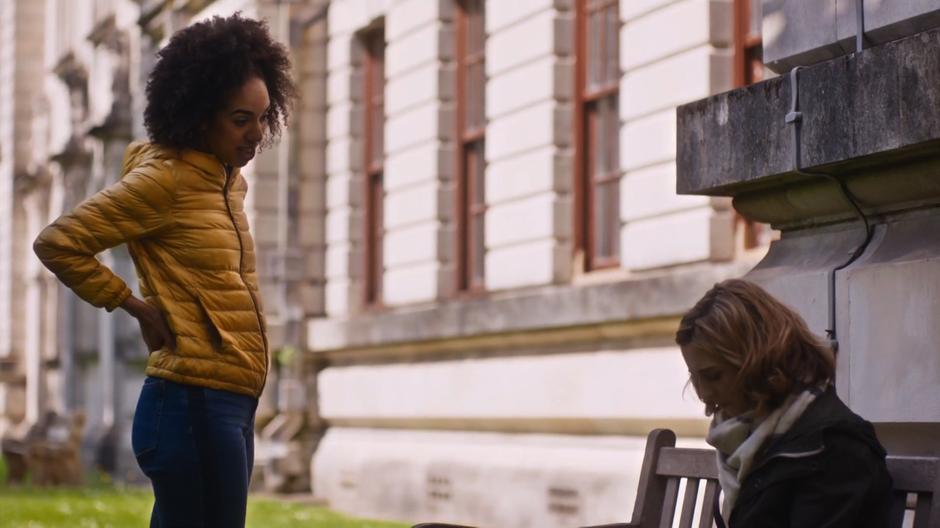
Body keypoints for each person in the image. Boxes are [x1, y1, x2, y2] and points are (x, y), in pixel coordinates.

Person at [33, 13, 296, 528]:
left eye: (264, 118)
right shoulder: (165, 182)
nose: (255, 134)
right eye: (240, 119)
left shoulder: (226, 185)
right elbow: (59, 242)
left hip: (230, 402)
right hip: (190, 403)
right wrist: (134, 306)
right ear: (199, 115)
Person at [676, 279, 891, 528]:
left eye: (713, 376)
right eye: (695, 377)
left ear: (757, 360)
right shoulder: (750, 441)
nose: (703, 394)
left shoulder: (834, 445)